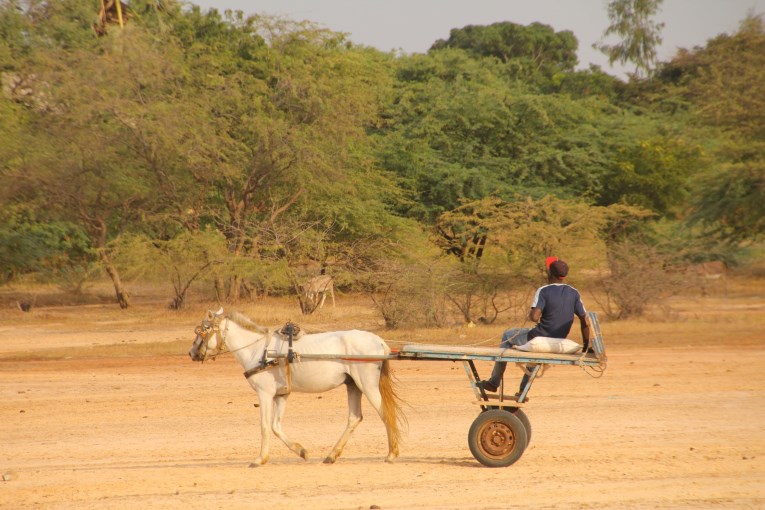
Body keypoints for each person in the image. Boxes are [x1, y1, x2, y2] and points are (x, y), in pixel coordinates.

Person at [478, 256, 591, 396]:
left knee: (507, 335)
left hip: (539, 336)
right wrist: (586, 346)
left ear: (550, 273)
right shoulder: (574, 293)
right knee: (534, 356)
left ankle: (494, 382)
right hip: (559, 339)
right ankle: (522, 391)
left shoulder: (544, 290)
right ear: (564, 275)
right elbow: (585, 320)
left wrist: (532, 312)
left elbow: (534, 317)